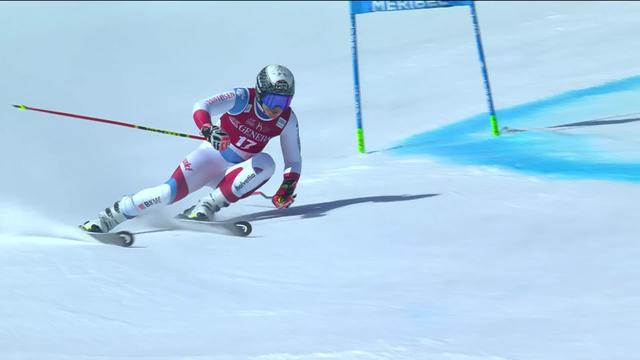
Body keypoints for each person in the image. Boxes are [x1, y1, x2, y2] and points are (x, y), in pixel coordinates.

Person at [80, 64, 301, 233]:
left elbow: (293, 160)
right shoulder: (243, 99)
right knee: (167, 194)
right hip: (210, 158)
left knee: (266, 164)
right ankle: (110, 217)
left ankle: (205, 207)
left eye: (283, 102)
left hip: (236, 175)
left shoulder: (287, 120)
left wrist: (287, 187)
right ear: (261, 92)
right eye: (273, 100)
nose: (276, 109)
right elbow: (202, 105)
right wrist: (209, 130)